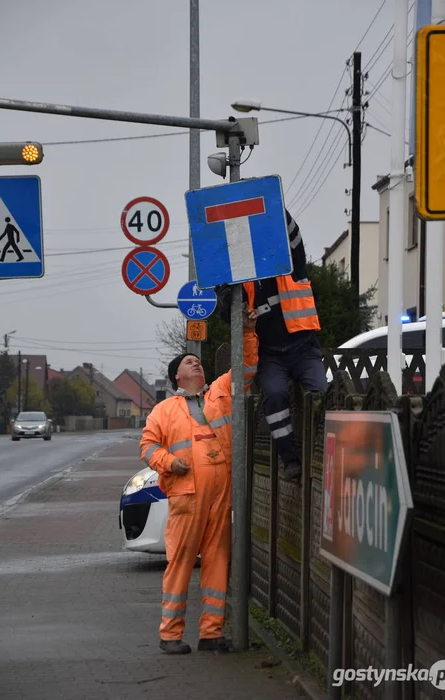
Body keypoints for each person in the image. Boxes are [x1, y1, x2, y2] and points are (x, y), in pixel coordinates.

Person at [139, 304, 258, 656]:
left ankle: (211, 634)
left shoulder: (220, 392)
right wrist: (168, 462)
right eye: (189, 363)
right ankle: (171, 636)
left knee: (218, 562)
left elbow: (248, 368)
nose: (197, 364)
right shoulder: (164, 410)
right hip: (187, 496)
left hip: (221, 495)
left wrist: (249, 332)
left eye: (198, 362)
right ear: (176, 377)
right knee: (180, 563)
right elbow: (147, 447)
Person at [216, 209, 327, 482]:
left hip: (303, 347)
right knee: (275, 396)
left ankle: (321, 449)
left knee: (322, 394)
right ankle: (290, 460)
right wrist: (229, 297)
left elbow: (295, 238)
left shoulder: (291, 265)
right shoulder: (243, 283)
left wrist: (276, 205)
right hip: (270, 356)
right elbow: (224, 305)